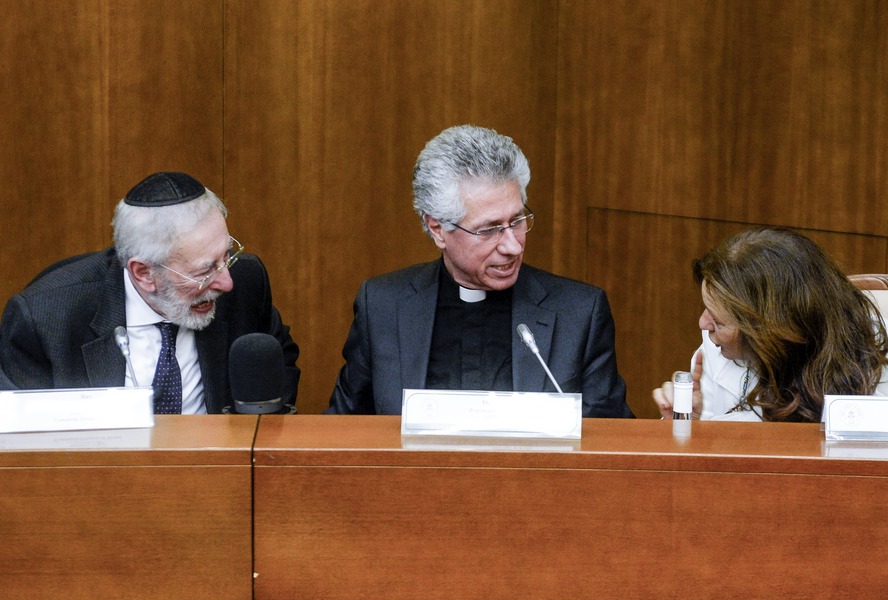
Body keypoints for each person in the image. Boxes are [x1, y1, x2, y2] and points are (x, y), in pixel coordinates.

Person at [327, 124, 633, 417]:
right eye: (489, 230)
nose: (513, 246)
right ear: (438, 229)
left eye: (517, 221)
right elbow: (343, 431)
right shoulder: (383, 306)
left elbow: (612, 444)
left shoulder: (578, 313)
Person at [0, 172, 299, 414]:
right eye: (204, 271)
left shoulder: (246, 285)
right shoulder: (44, 318)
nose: (226, 282)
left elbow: (277, 365)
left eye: (227, 257)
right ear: (143, 273)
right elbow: (22, 446)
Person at [652, 227, 888, 422]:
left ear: (776, 332)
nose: (703, 324)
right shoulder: (717, 352)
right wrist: (691, 429)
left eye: (719, 320)